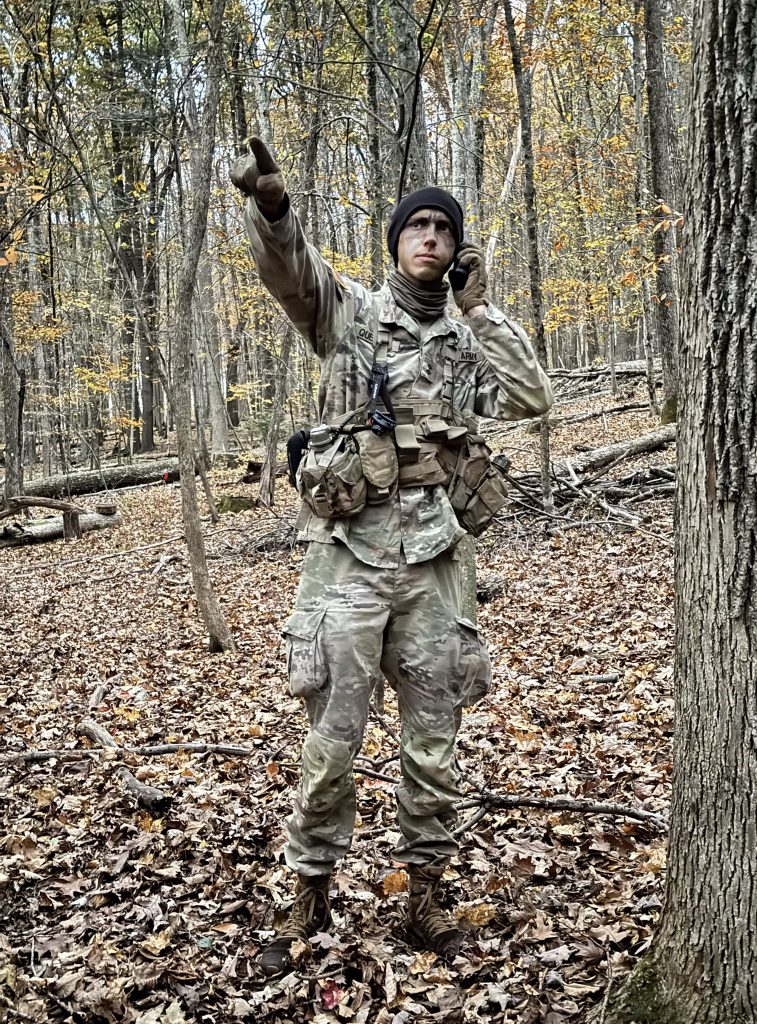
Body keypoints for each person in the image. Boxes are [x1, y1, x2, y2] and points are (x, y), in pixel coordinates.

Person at [230, 138, 553, 977]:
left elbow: (532, 396)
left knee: (433, 740)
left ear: (455, 250)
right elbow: (291, 275)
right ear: (396, 242)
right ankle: (308, 888)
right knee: (333, 741)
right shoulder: (352, 315)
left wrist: (482, 314)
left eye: (444, 229)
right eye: (417, 226)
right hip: (350, 560)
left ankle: (428, 897)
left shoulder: (464, 340)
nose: (432, 238)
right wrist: (274, 211)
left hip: (439, 564)